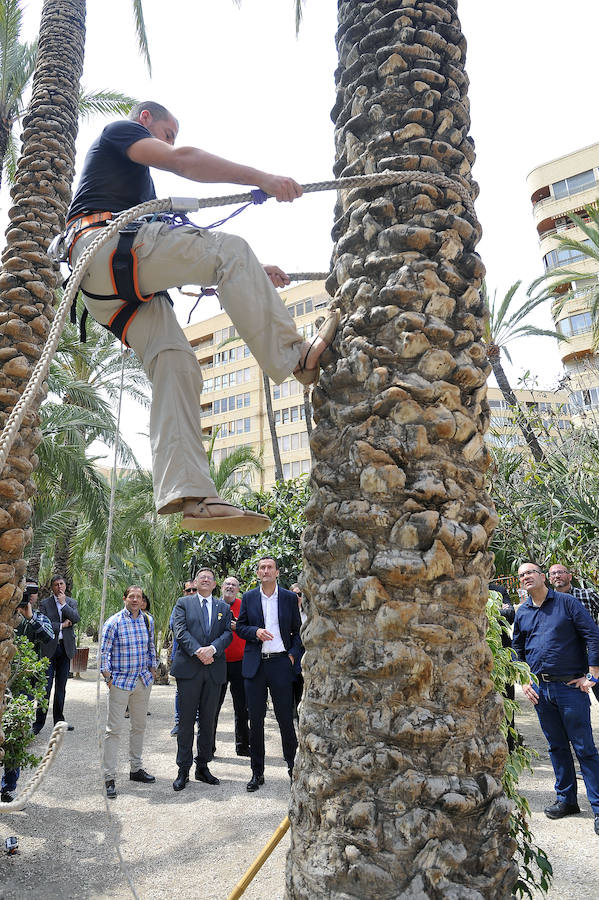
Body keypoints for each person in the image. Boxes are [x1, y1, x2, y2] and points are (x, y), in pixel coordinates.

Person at [65, 101, 339, 536]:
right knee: (230, 249)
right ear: (145, 120)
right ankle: (296, 356)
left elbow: (173, 261)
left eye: (172, 135)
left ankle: (191, 493)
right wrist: (262, 179)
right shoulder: (120, 133)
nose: (168, 141)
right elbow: (184, 161)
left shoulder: (138, 194)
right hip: (105, 248)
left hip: (110, 289)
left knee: (178, 362)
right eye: (166, 131)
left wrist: (249, 274)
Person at [513, 562, 599, 836]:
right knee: (556, 747)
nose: (526, 577)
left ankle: (598, 807)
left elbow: (593, 635)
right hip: (541, 691)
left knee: (585, 749)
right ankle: (567, 801)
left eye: (530, 573)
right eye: (521, 575)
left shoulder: (567, 603)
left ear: (542, 577)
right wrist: (524, 680)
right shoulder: (523, 611)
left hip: (570, 688)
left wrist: (593, 676)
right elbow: (517, 647)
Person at [236, 557, 302, 792]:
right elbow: (240, 627)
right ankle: (257, 773)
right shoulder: (249, 597)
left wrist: (292, 655)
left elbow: (298, 631)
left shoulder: (288, 598)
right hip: (256, 665)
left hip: (280, 664)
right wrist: (256, 632)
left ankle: (294, 769)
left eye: (269, 567)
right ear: (258, 573)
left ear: (277, 572)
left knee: (285, 719)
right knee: (256, 720)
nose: (265, 571)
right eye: (262, 568)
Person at [170, 568, 232, 791]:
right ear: (196, 582)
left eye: (209, 578)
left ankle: (203, 766)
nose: (205, 579)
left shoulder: (223, 608)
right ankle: (183, 769)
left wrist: (212, 649)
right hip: (189, 669)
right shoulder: (183, 604)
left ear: (215, 584)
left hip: (214, 670)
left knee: (208, 721)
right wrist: (199, 651)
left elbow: (227, 634)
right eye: (201, 577)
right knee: (186, 722)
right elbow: (180, 631)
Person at [101, 585, 157, 799]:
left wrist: (153, 668)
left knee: (139, 727)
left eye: (139, 597)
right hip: (120, 682)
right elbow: (104, 652)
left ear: (143, 600)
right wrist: (107, 677)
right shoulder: (113, 622)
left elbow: (151, 646)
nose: (135, 600)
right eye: (131, 597)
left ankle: (136, 769)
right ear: (124, 598)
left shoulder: (147, 620)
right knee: (113, 730)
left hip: (142, 681)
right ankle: (109, 777)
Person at [1, 586, 54, 803]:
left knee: (16, 733)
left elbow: (49, 637)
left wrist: (30, 618)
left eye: (28, 594)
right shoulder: (5, 616)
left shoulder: (39, 618)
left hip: (23, 684)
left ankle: (8, 787)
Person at [35, 576, 80, 734]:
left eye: (61, 584)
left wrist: (63, 605)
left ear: (65, 585)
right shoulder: (45, 603)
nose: (59, 587)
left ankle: (59, 722)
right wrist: (61, 625)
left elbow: (75, 619)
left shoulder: (71, 602)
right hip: (49, 650)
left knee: (61, 688)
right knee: (46, 688)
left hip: (65, 649)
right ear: (52, 587)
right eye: (56, 584)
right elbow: (43, 623)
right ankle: (38, 723)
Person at [212, 575, 250, 757]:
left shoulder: (244, 606)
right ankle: (208, 748)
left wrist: (238, 628)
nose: (230, 587)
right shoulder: (213, 605)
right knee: (212, 707)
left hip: (240, 663)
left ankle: (242, 746)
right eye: (227, 583)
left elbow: (253, 629)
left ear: (238, 589)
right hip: (218, 662)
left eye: (234, 585)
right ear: (221, 587)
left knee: (242, 708)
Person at [549, 564, 599, 702]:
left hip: (593, 656)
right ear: (549, 579)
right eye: (553, 574)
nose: (557, 576)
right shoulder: (547, 602)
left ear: (569, 576)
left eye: (561, 572)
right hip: (568, 662)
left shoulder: (587, 595)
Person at [169, 579, 196, 736]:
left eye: (194, 589)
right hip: (182, 656)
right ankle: (179, 722)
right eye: (188, 590)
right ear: (183, 592)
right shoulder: (178, 607)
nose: (191, 593)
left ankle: (199, 721)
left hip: (201, 657)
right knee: (181, 692)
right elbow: (177, 628)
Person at [290, 583, 306, 719]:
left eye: (299, 594)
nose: (297, 597)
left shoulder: (308, 614)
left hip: (305, 657)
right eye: (294, 594)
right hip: (290, 656)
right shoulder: (284, 613)